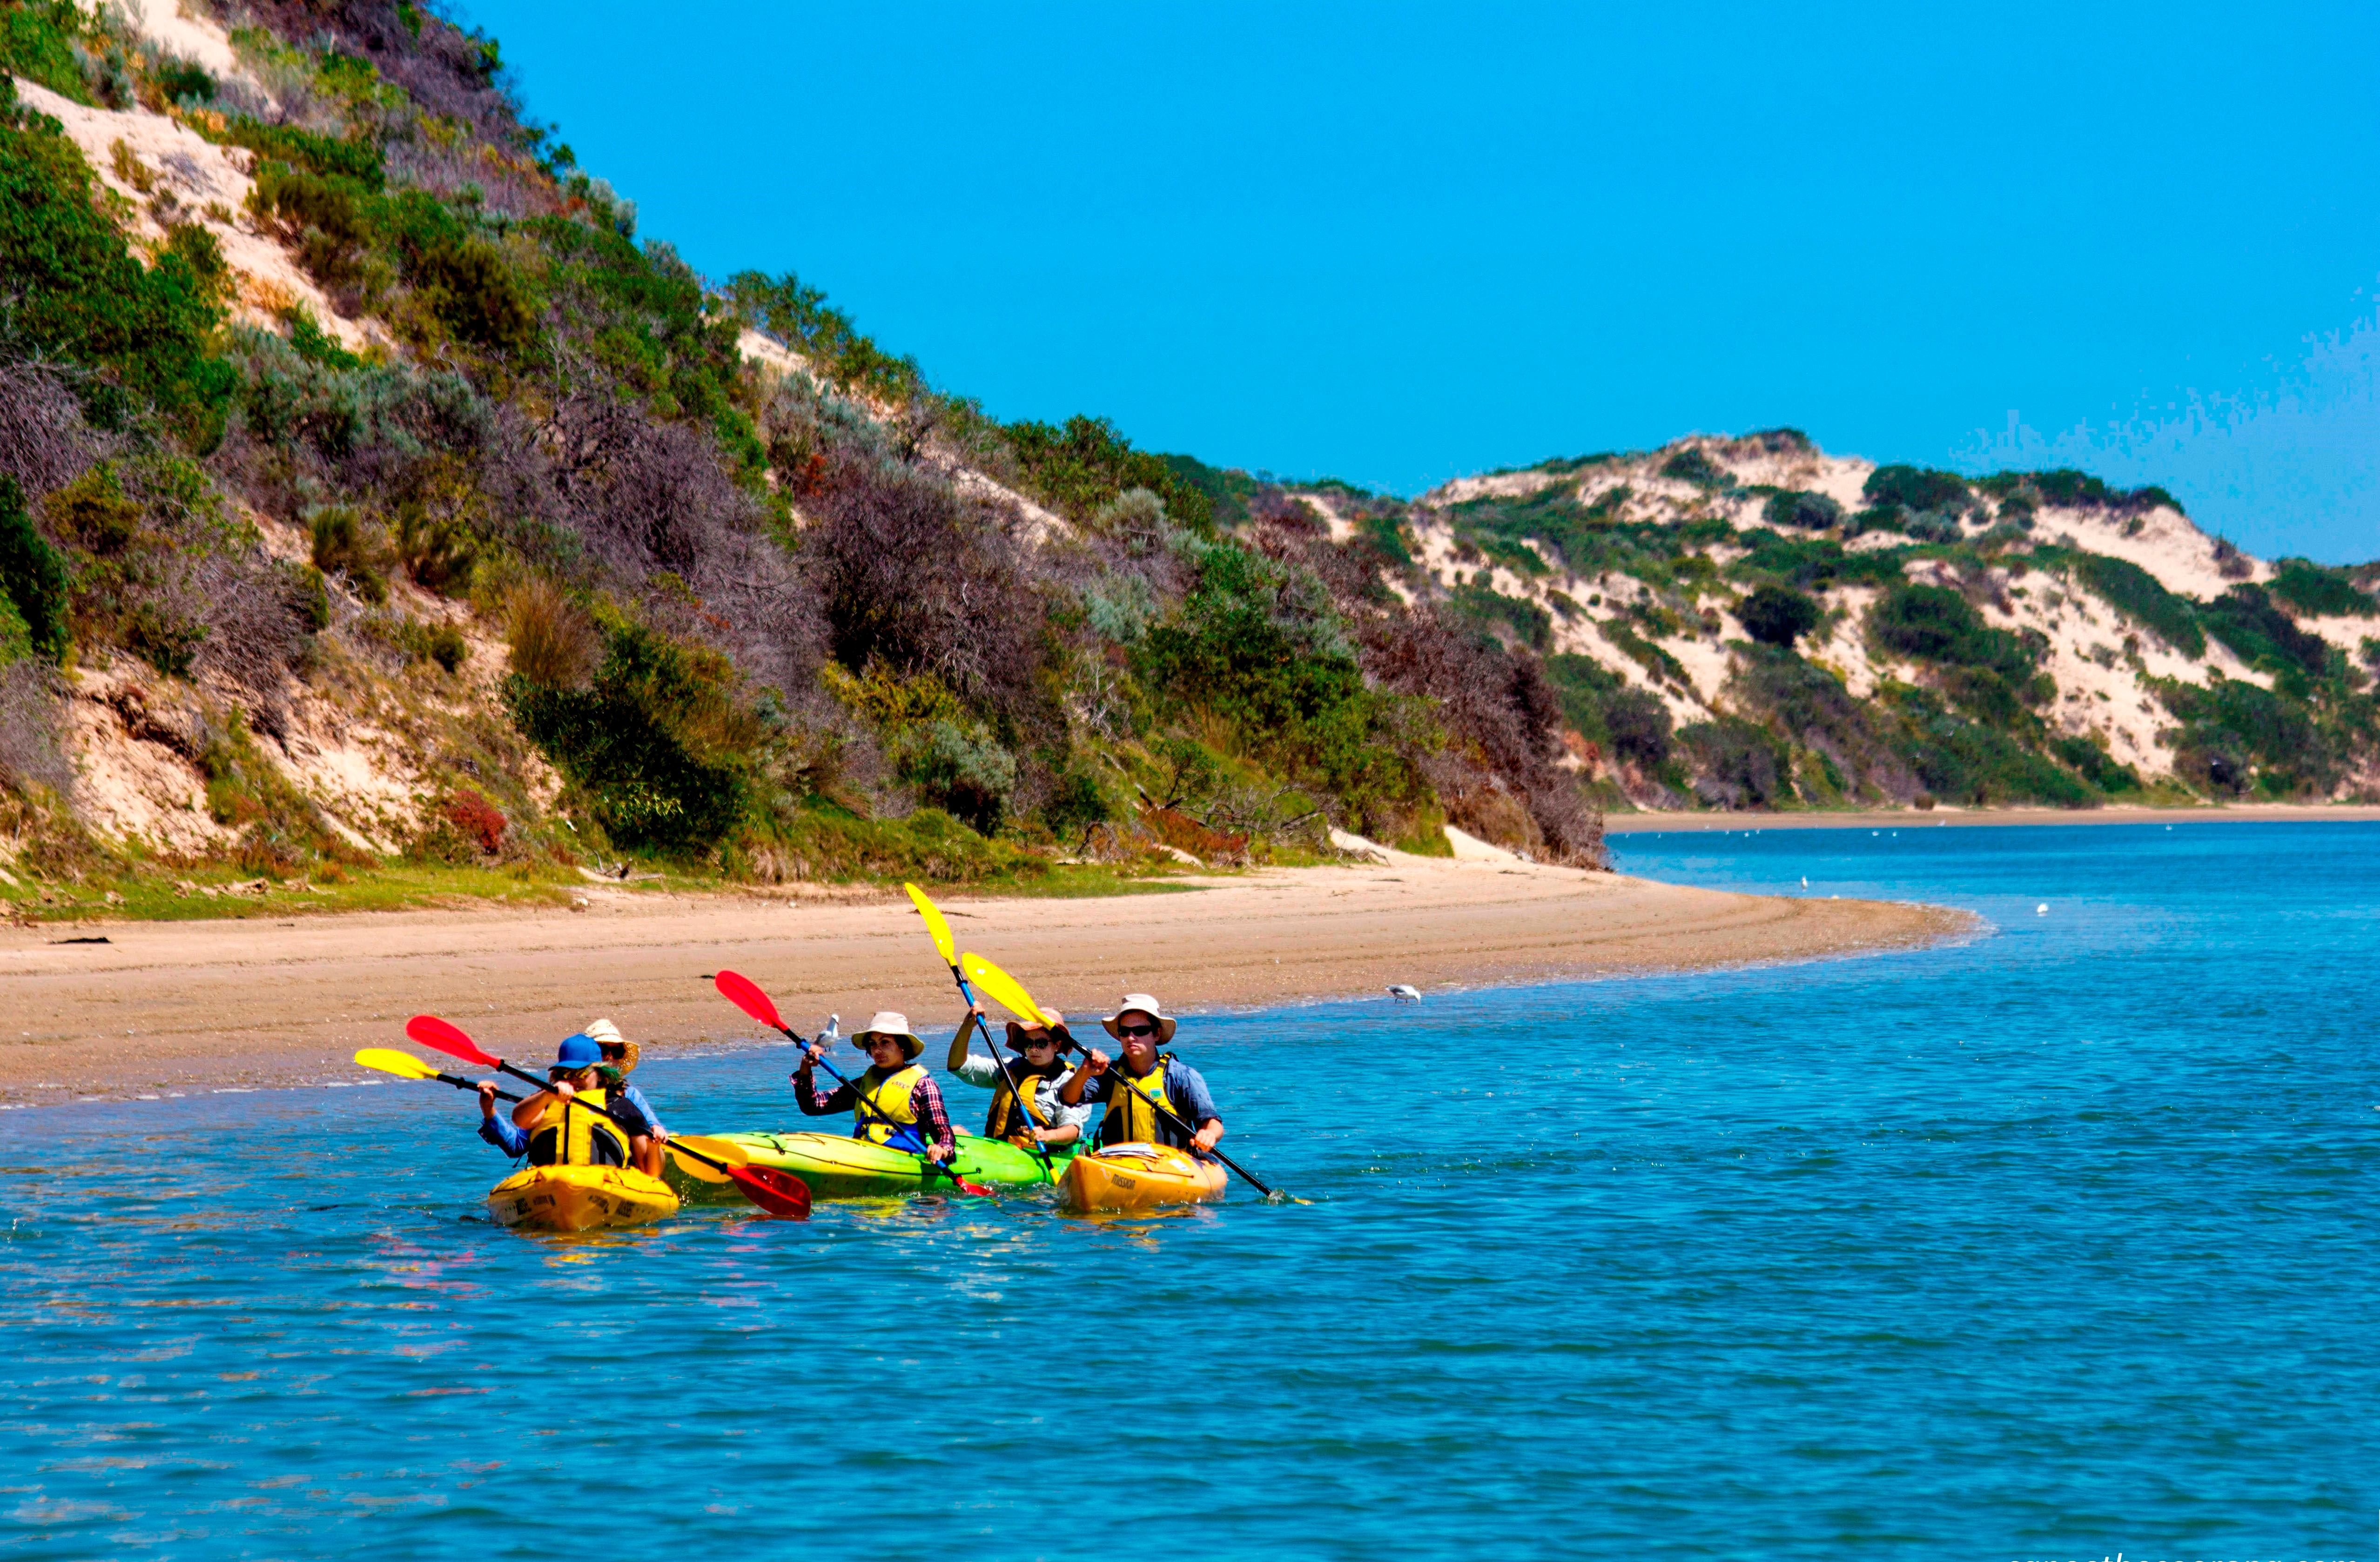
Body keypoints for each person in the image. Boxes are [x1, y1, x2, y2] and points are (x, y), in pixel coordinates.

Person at [1058, 993, 1225, 1156]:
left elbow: (1212, 1122)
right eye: (1125, 1031)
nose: (1131, 1038)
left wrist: (1209, 1134)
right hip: (1122, 1166)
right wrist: (1084, 1071)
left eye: (1140, 1030)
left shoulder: (1181, 1076)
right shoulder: (1111, 1074)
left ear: (1157, 1034)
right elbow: (1068, 1098)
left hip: (1172, 1168)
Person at [477, 1032, 665, 1177]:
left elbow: (651, 1172)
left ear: (600, 1074)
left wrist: (656, 1145)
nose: (574, 1080)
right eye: (566, 1073)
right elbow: (519, 1121)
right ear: (558, 1075)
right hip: (553, 1184)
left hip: (607, 1185)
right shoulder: (546, 1101)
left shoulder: (623, 1106)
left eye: (582, 1073)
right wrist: (489, 1110)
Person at [794, 1012, 957, 1165]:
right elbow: (813, 1106)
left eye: (885, 1043)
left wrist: (942, 1148)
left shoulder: (923, 1085)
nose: (877, 1050)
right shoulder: (864, 1083)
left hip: (904, 1159)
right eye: (873, 1044)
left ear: (903, 1047)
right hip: (864, 1154)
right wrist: (805, 1069)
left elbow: (943, 1132)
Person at [945, 1003, 1091, 1151]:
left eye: (1041, 1044)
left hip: (1040, 1155)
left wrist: (1048, 1136)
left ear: (1057, 1045)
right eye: (1028, 1043)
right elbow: (958, 1066)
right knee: (955, 1132)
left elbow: (1073, 1130)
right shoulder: (1010, 1069)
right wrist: (968, 1026)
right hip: (1000, 1150)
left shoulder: (1070, 1083)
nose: (1034, 1049)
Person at [581, 1018, 671, 1160]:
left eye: (616, 1051)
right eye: (603, 1050)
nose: (610, 1057)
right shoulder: (561, 1094)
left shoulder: (630, 1095)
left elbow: (653, 1126)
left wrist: (657, 1131)